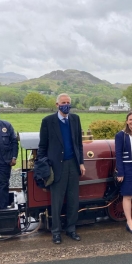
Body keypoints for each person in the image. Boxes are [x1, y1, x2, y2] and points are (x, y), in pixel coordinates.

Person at [37, 93, 85, 244]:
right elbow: (42, 147)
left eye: (68, 102)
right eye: (63, 102)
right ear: (57, 104)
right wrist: (44, 166)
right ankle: (56, 232)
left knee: (73, 200)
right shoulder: (48, 121)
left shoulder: (75, 119)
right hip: (57, 166)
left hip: (73, 165)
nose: (66, 105)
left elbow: (79, 144)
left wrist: (81, 163)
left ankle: (71, 229)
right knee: (56, 201)